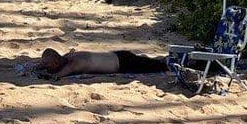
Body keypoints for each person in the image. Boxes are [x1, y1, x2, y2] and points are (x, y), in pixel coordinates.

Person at [32, 47, 167, 79]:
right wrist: (40, 66)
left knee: (160, 66)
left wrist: (45, 74)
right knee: (152, 62)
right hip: (118, 55)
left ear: (55, 62)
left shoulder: (74, 63)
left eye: (49, 65)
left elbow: (58, 76)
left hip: (123, 63)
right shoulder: (68, 56)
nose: (48, 68)